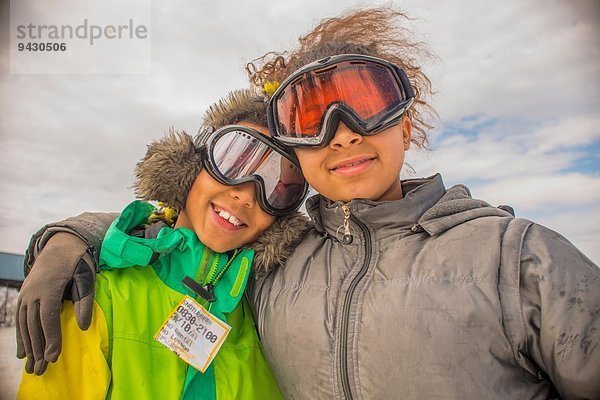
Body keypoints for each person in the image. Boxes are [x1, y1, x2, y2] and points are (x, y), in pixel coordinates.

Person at [17, 8, 600, 399]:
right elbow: (185, 244)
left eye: (365, 105)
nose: (342, 134)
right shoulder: (279, 267)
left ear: (407, 122)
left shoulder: (518, 259)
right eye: (310, 118)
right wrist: (75, 237)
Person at [17, 89, 310, 399]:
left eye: (280, 189)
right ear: (193, 164)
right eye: (234, 161)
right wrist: (67, 237)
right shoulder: (97, 296)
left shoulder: (268, 315)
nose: (247, 195)